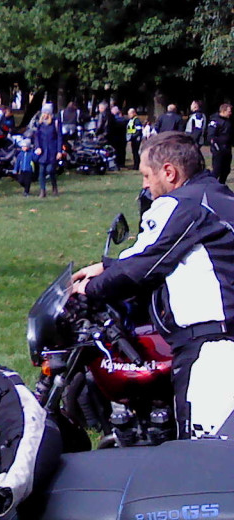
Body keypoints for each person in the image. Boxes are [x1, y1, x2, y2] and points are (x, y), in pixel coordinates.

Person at [74, 132, 234, 439]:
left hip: (211, 345)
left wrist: (89, 290)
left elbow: (141, 266)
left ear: (169, 172)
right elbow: (164, 250)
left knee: (202, 451)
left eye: (147, 175)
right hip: (222, 338)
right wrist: (106, 266)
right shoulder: (212, 196)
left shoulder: (181, 203)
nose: (145, 185)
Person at [33, 111, 62, 197]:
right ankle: (42, 191)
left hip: (52, 151)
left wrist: (59, 151)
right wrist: (37, 147)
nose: (45, 115)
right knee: (41, 172)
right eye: (44, 113)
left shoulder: (55, 123)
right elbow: (37, 137)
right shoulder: (40, 124)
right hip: (42, 152)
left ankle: (54, 187)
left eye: (47, 113)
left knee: (50, 170)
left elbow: (59, 137)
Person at [208, 103, 232, 184]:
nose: (230, 113)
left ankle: (221, 185)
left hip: (227, 148)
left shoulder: (228, 121)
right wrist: (216, 148)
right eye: (229, 111)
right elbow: (211, 136)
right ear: (223, 111)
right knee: (217, 170)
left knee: (226, 170)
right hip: (218, 148)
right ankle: (211, 185)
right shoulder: (215, 121)